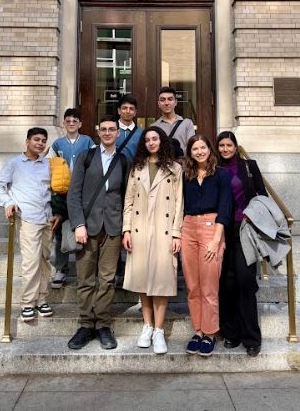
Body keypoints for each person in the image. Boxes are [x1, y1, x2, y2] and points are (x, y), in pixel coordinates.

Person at [67, 114, 128, 351]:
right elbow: (74, 193)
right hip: (87, 227)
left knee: (107, 279)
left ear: (118, 133)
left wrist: (125, 228)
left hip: (112, 227)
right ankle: (85, 324)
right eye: (104, 129)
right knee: (85, 279)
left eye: (112, 129)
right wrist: (78, 224)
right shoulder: (87, 156)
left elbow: (126, 196)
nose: (108, 133)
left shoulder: (123, 160)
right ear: (98, 132)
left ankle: (102, 324)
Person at [122, 127, 183, 354]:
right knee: (142, 280)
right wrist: (126, 230)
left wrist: (176, 233)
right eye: (147, 140)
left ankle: (159, 330)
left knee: (161, 281)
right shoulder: (137, 167)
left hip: (164, 230)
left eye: (155, 139)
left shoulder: (175, 168)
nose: (151, 143)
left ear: (161, 141)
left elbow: (179, 203)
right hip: (139, 229)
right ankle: (147, 326)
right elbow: (128, 201)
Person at [0, 127, 60, 322]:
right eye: (36, 140)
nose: (40, 143)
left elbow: (55, 190)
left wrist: (58, 212)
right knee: (31, 262)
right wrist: (8, 202)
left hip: (47, 219)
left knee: (45, 260)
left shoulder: (48, 164)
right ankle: (28, 303)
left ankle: (42, 299)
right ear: (27, 141)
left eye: (43, 141)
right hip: (27, 219)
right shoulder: (14, 163)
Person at [217, 130, 268, 358]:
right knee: (226, 282)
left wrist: (252, 216)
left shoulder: (248, 166)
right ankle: (231, 333)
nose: (225, 149)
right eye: (221, 146)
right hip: (221, 231)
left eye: (229, 145)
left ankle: (251, 338)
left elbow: (262, 195)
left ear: (236, 146)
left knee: (245, 281)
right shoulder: (214, 168)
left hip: (244, 230)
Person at [181, 134, 232, 357]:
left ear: (210, 150)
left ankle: (210, 332)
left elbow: (225, 207)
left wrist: (216, 239)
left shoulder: (221, 174)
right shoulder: (186, 175)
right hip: (188, 227)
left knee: (209, 285)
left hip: (212, 228)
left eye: (203, 147)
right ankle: (198, 330)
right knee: (193, 286)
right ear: (190, 153)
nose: (200, 152)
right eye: (195, 149)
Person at [48, 108, 95, 289]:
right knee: (61, 230)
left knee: (83, 229)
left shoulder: (88, 141)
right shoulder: (57, 144)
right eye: (68, 120)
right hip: (62, 194)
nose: (71, 123)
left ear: (80, 124)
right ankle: (61, 269)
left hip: (82, 192)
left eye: (75, 120)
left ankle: (86, 270)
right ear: (64, 123)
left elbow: (95, 162)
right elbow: (49, 165)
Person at [152, 86, 195, 155]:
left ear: (175, 102)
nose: (166, 103)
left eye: (170, 99)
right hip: (163, 161)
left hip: (184, 161)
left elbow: (192, 147)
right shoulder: (154, 127)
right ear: (158, 104)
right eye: (162, 100)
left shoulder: (187, 123)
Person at [116, 94, 143, 161]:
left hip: (134, 167)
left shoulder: (141, 133)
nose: (128, 111)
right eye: (124, 108)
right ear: (119, 111)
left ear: (135, 112)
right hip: (114, 167)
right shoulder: (111, 130)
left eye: (131, 109)